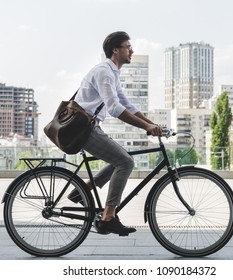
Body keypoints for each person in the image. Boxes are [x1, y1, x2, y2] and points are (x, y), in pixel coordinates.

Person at [67, 31, 162, 236]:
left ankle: (82, 191)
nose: (132, 50)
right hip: (83, 128)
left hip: (90, 126)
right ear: (115, 50)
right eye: (128, 47)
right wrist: (146, 127)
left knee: (120, 157)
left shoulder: (112, 73)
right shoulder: (104, 71)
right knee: (125, 162)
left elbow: (126, 104)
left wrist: (152, 124)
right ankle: (108, 217)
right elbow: (114, 108)